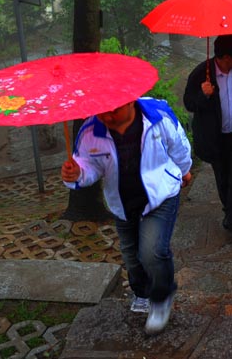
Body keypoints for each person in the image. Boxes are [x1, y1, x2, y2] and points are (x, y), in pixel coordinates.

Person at [60, 97, 192, 336]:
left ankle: (161, 297)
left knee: (151, 252)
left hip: (161, 195)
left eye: (114, 109)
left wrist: (184, 170)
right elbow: (90, 166)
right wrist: (78, 173)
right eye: (102, 110)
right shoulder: (91, 130)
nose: (108, 116)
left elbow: (178, 145)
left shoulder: (157, 115)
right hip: (122, 202)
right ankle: (141, 291)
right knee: (131, 257)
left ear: (131, 100)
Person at [183, 33, 232, 240]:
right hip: (214, 137)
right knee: (223, 178)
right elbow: (189, 104)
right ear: (226, 57)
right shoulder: (202, 74)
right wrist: (203, 95)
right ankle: (230, 210)